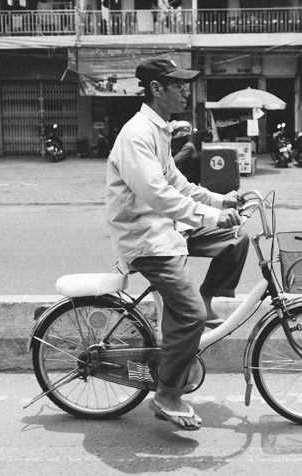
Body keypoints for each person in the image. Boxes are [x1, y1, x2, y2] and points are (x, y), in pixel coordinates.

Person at [105, 58, 249, 431]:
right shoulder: (137, 134)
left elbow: (178, 185)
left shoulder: (161, 130)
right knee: (190, 318)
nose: (185, 91)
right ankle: (167, 394)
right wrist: (211, 216)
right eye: (179, 85)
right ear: (157, 89)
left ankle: (205, 298)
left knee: (237, 238)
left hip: (169, 228)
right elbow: (158, 195)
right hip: (146, 237)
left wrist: (222, 201)